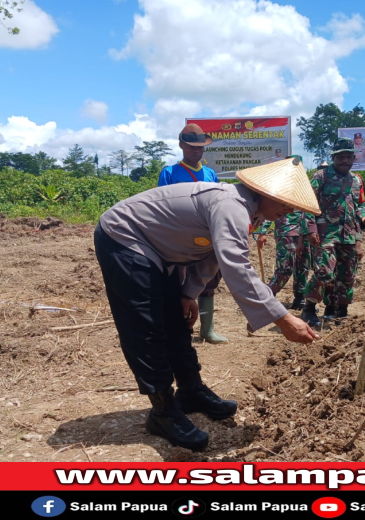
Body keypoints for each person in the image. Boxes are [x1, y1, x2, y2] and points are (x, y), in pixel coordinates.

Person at [94, 156, 320, 451]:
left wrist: (188, 293)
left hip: (156, 248)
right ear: (267, 194)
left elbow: (213, 255)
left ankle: (190, 392)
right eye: (286, 204)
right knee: (147, 326)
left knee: (175, 320)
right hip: (123, 236)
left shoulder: (247, 211)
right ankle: (162, 411)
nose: (288, 211)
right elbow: (236, 266)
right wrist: (282, 318)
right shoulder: (231, 206)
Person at [158, 123, 228, 344]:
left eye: (200, 148)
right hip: (179, 238)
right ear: (181, 146)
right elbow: (162, 205)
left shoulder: (210, 174)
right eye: (191, 148)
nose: (196, 151)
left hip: (206, 238)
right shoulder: (169, 173)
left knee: (208, 281)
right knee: (179, 284)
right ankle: (181, 329)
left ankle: (207, 330)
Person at [300, 137, 365, 327]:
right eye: (341, 157)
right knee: (324, 272)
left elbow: (361, 205)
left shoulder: (357, 180)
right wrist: (310, 230)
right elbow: (308, 203)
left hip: (349, 235)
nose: (345, 160)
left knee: (347, 275)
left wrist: (364, 220)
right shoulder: (321, 176)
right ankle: (309, 308)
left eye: (348, 157)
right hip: (325, 234)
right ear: (334, 158)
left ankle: (338, 310)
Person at [257, 210, 310, 310]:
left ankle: (299, 299)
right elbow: (271, 208)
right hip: (286, 231)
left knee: (302, 268)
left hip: (304, 233)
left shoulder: (307, 195)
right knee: (285, 268)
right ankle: (267, 297)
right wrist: (263, 231)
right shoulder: (284, 193)